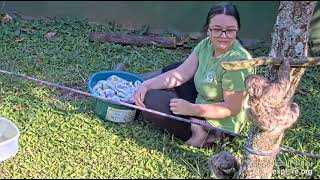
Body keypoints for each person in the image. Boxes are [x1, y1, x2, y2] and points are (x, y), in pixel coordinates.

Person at [133, 2, 255, 148]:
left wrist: (190, 109)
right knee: (175, 68)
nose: (223, 36)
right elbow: (181, 73)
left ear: (237, 30)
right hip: (201, 101)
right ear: (208, 30)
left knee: (151, 99)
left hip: (217, 126)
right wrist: (146, 84)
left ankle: (200, 134)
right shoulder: (206, 44)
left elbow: (232, 108)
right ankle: (136, 85)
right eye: (216, 29)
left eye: (230, 30)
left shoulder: (237, 62)